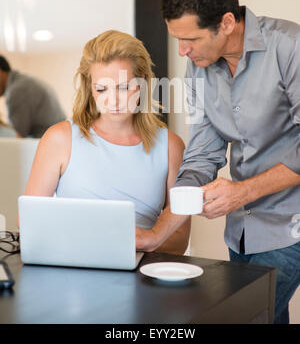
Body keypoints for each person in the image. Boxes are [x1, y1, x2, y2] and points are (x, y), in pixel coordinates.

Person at [161, 0, 300, 324]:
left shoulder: (290, 47)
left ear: (226, 23)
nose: (182, 51)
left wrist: (243, 192)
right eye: (177, 39)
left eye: (190, 40)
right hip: (240, 232)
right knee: (267, 316)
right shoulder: (200, 66)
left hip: (291, 223)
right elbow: (204, 148)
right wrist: (185, 190)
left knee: (239, 317)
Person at [24, 30, 191, 255]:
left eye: (123, 87)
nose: (112, 100)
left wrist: (136, 243)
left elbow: (179, 240)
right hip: (72, 268)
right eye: (101, 89)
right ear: (90, 88)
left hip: (142, 275)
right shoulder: (59, 139)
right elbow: (29, 221)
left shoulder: (171, 147)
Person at [0, 56, 66, 138]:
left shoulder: (17, 91)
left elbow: (17, 137)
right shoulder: (25, 82)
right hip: (59, 139)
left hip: (49, 143)